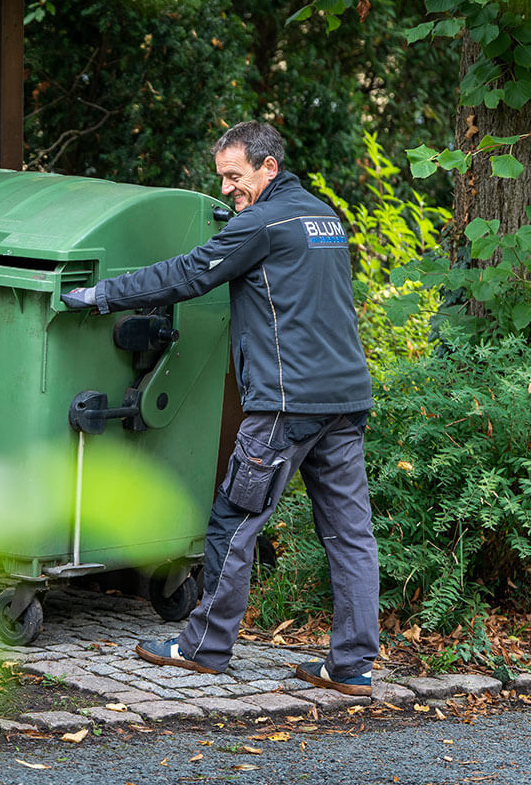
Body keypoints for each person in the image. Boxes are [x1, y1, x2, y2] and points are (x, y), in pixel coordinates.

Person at [62, 121, 378, 697]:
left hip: (286, 404)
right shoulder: (325, 218)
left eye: (235, 177)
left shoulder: (261, 222)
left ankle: (203, 648)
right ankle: (351, 665)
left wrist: (102, 295)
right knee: (350, 535)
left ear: (268, 168)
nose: (228, 190)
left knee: (235, 518)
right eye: (223, 178)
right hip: (345, 399)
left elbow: (188, 274)